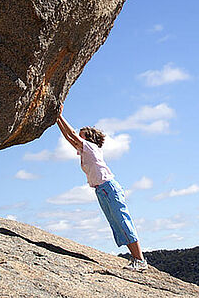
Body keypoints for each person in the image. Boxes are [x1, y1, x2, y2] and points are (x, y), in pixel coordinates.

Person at [54, 104, 148, 271]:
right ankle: (136, 259)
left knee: (123, 221)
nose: (78, 140)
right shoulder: (85, 151)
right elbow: (69, 138)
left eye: (82, 137)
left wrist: (60, 116)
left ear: (88, 139)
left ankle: (140, 260)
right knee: (117, 225)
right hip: (101, 190)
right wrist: (56, 120)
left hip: (108, 188)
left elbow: (72, 135)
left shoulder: (91, 147)